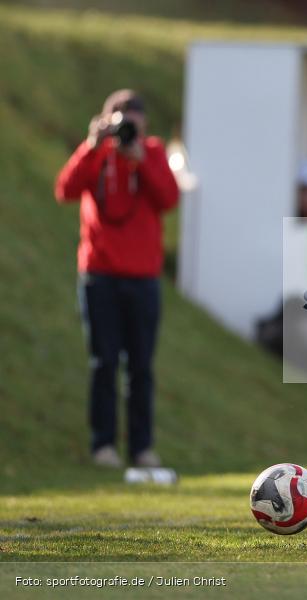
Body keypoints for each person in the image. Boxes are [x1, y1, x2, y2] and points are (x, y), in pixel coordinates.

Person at [55, 89, 179, 468]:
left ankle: (142, 449)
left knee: (141, 367)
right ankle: (103, 445)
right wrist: (91, 145)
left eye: (133, 121)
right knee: (103, 363)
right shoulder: (97, 152)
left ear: (144, 124)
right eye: (120, 120)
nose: (126, 129)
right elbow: (65, 190)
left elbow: (169, 198)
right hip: (99, 275)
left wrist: (140, 160)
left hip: (143, 279)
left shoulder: (152, 152)